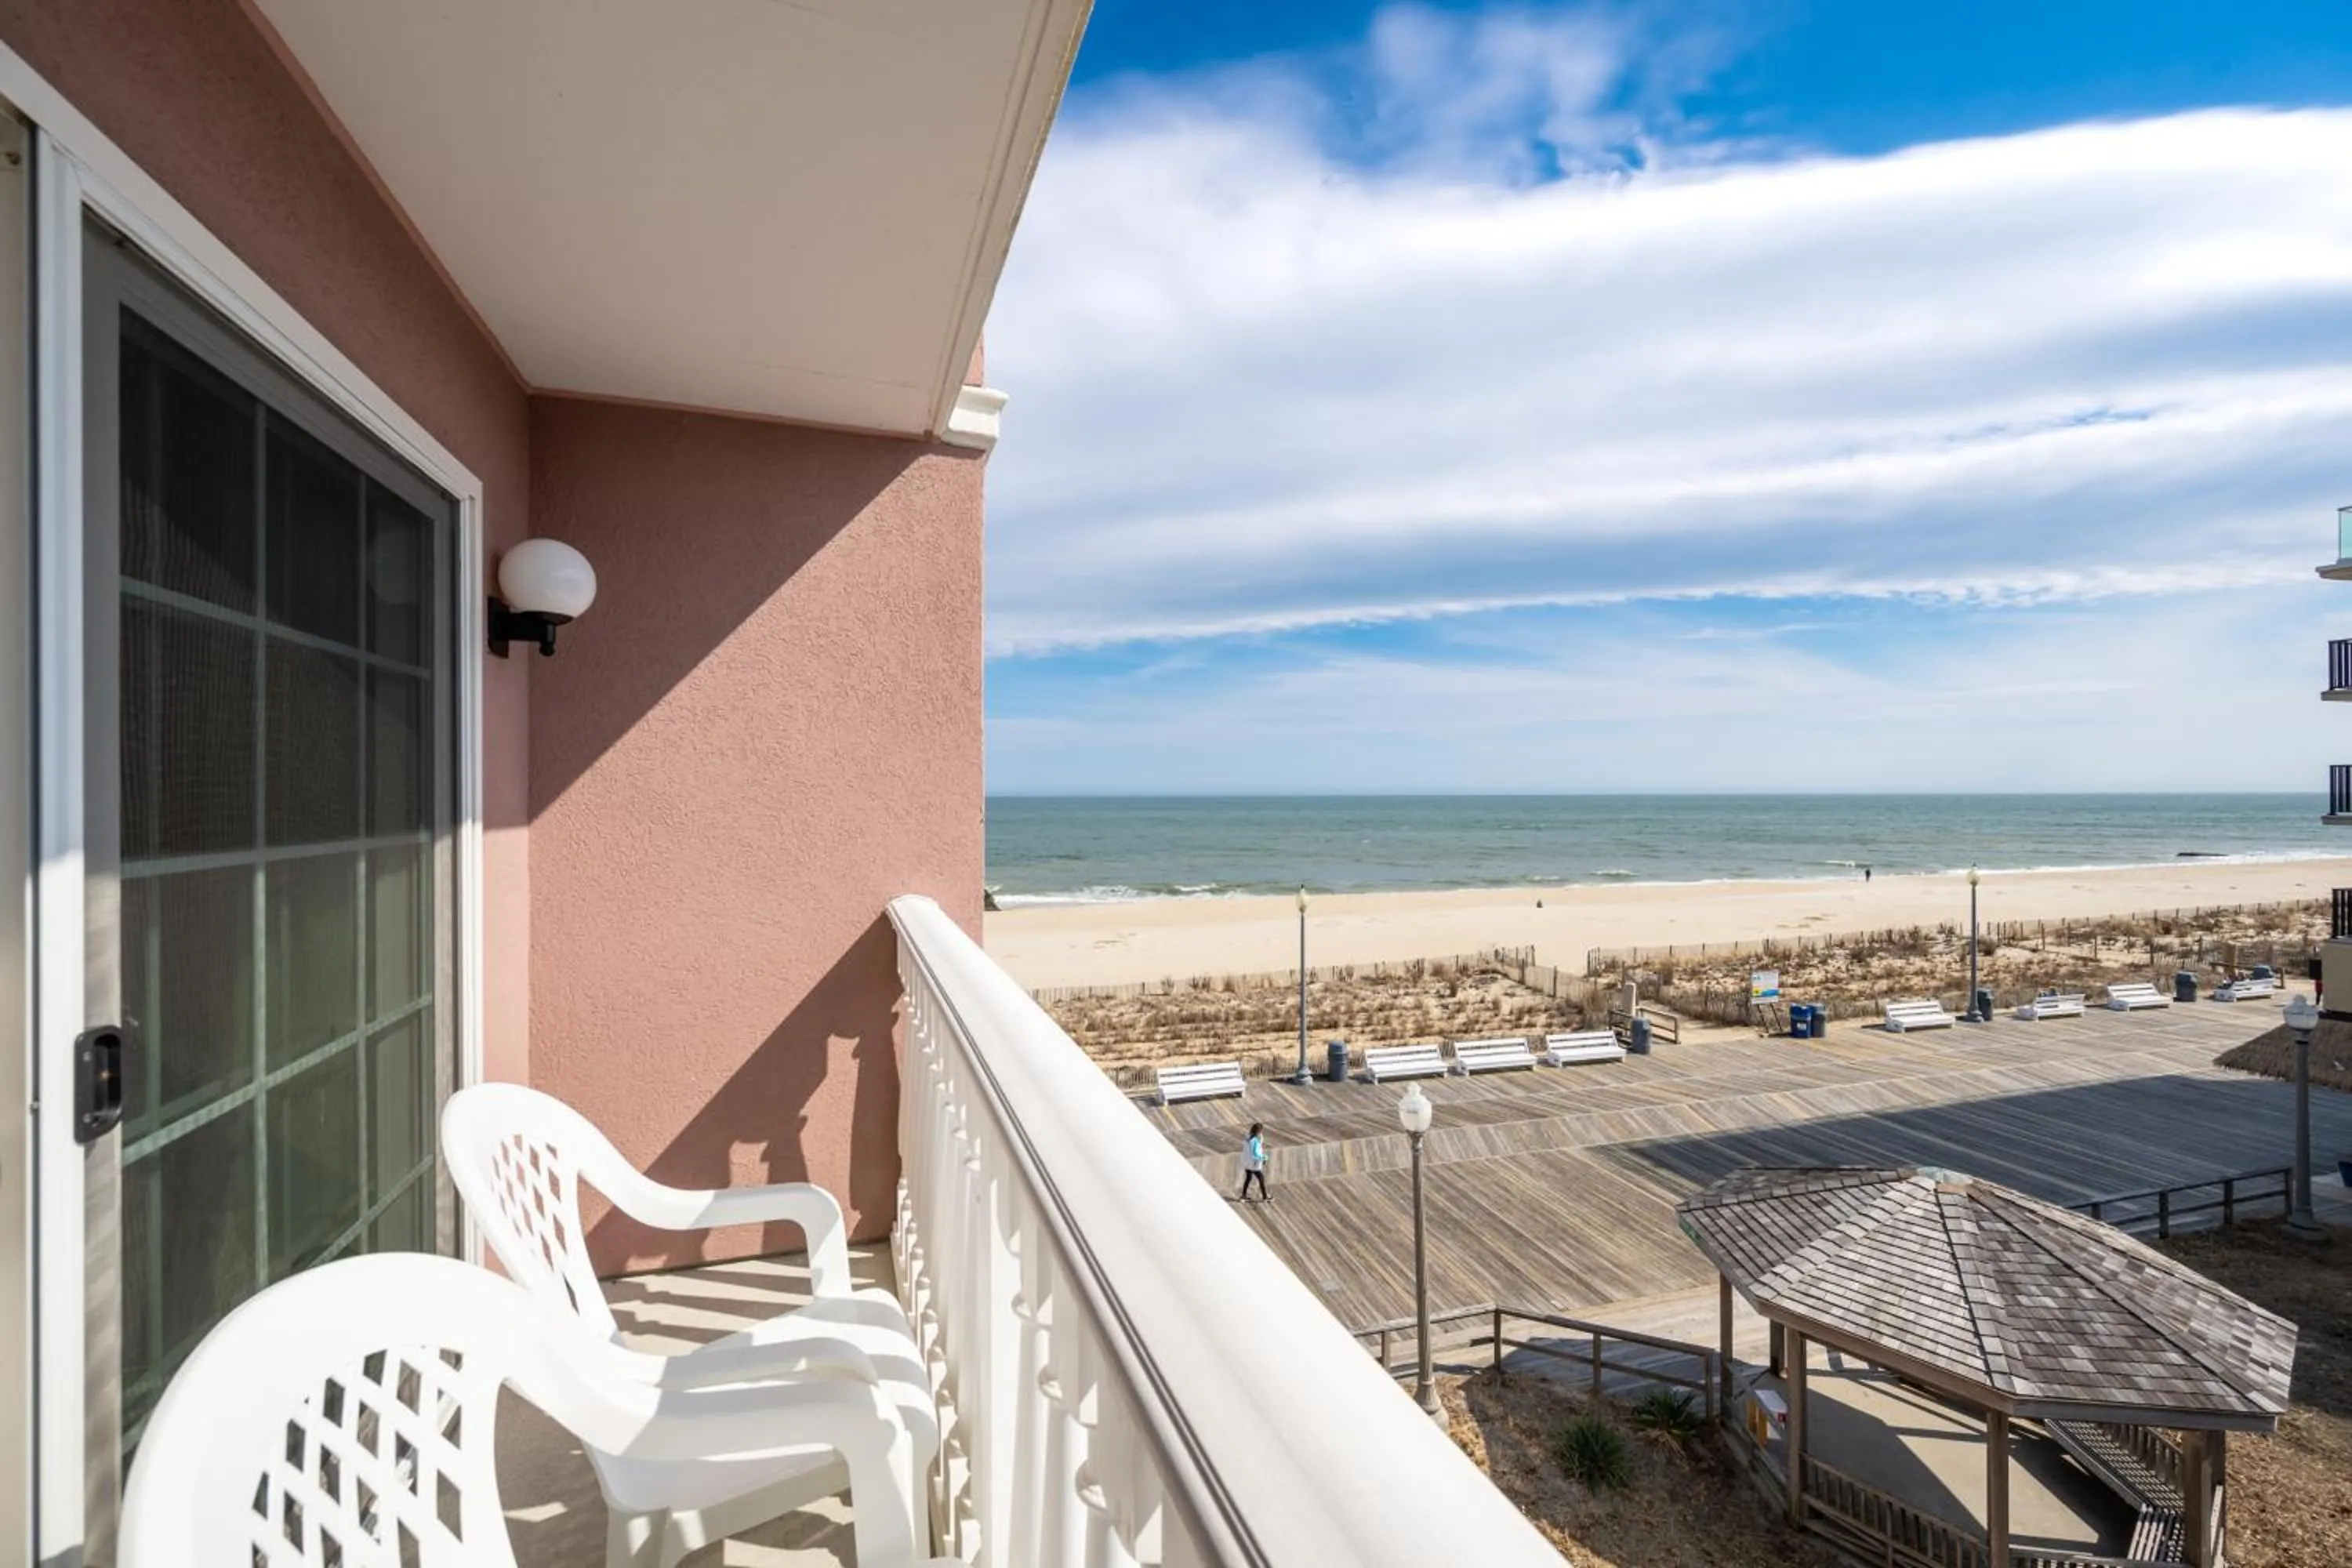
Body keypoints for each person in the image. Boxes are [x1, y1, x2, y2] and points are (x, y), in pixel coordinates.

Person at [1238, 1122, 1269, 1202]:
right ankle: (1265, 1197)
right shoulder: (1255, 1140)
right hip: (1254, 1164)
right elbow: (1255, 1154)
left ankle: (1243, 1196)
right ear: (1259, 1131)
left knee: (1248, 1178)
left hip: (1247, 1162)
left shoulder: (1248, 1137)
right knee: (1261, 1179)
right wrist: (1265, 1158)